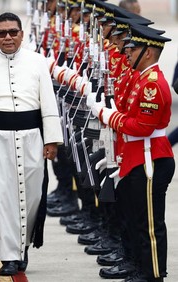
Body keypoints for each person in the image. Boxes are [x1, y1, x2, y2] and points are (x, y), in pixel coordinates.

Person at [0, 12, 63, 276]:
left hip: (32, 137)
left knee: (32, 196)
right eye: (2, 33)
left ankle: (23, 246)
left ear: (21, 33)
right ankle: (9, 255)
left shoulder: (38, 62)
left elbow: (48, 103)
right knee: (2, 198)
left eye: (13, 32)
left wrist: (52, 140)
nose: (8, 37)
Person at [91, 24, 174, 282]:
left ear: (148, 52)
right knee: (137, 220)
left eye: (133, 48)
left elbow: (143, 126)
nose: (127, 53)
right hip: (138, 155)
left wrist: (110, 116)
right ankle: (141, 268)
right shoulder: (140, 79)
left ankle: (153, 275)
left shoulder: (152, 84)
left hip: (150, 158)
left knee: (149, 224)